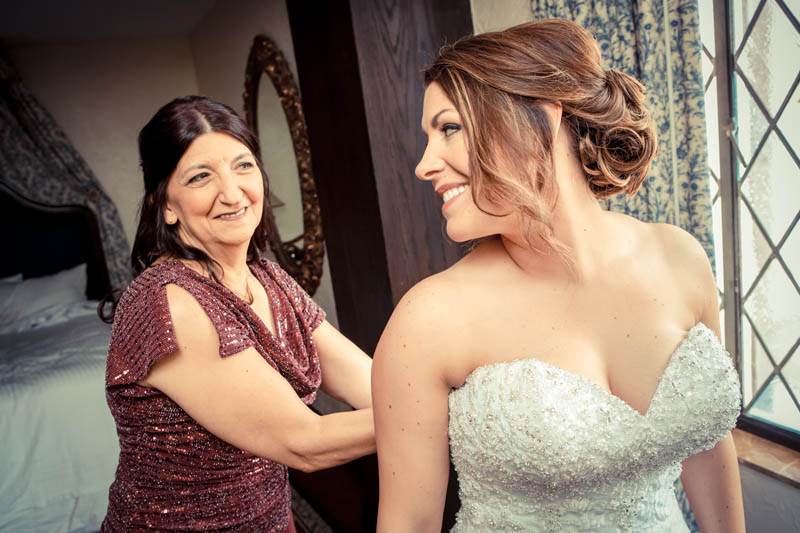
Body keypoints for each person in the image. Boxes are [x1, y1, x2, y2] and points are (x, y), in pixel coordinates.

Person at [372, 19, 744, 532]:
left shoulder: (680, 258)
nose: (424, 165)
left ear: (543, 119)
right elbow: (409, 523)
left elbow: (708, 445)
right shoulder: (427, 320)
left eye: (449, 128)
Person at [102, 96, 374, 532]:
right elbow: (306, 443)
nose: (232, 193)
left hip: (271, 520)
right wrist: (443, 414)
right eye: (200, 176)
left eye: (243, 166)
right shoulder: (170, 304)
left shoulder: (267, 278)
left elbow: (370, 381)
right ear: (165, 204)